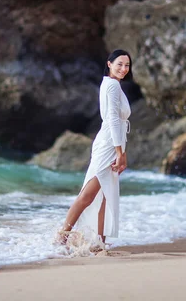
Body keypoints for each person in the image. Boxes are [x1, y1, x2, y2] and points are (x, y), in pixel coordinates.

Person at [56, 49, 132, 250]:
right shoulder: (112, 85)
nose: (123, 69)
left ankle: (99, 242)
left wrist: (121, 150)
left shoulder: (110, 84)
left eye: (127, 65)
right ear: (109, 64)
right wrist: (120, 153)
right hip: (108, 143)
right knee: (89, 194)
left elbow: (115, 121)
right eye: (119, 64)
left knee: (105, 194)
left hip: (110, 141)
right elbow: (113, 120)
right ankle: (62, 236)